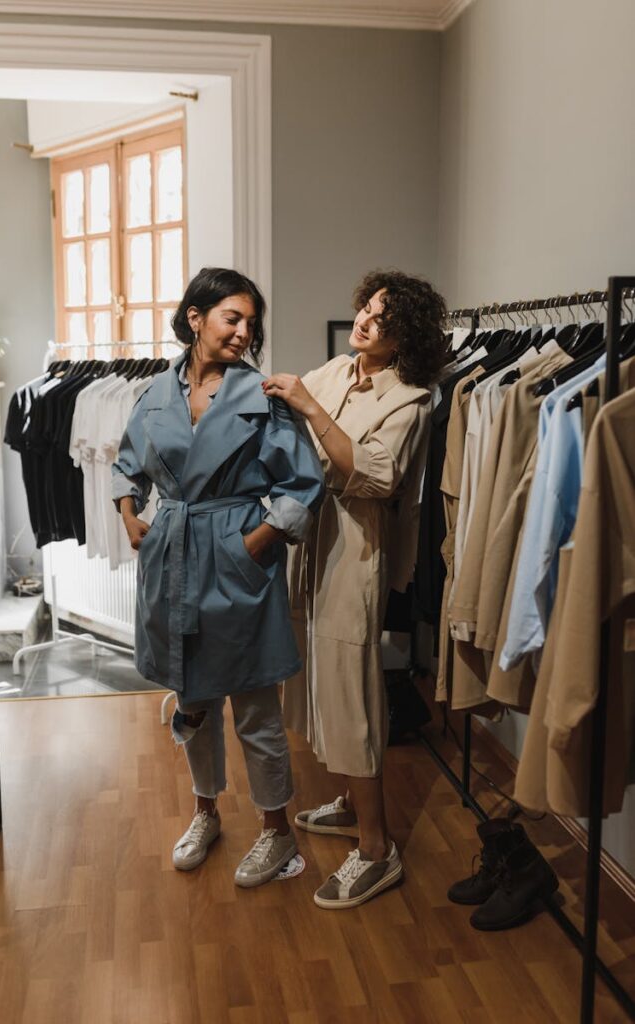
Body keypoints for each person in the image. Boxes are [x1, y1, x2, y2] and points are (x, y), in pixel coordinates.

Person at [112, 267, 324, 888]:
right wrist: (130, 516)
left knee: (255, 705)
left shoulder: (263, 397)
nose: (243, 332)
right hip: (173, 556)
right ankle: (205, 813)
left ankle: (277, 832)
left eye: (251, 323)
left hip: (236, 558)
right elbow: (127, 465)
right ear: (196, 317)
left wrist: (254, 543)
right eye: (233, 318)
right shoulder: (153, 393)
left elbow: (303, 484)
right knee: (193, 700)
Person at [263, 269, 447, 909]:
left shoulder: (411, 401)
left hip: (354, 552)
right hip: (308, 547)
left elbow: (376, 477)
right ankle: (349, 800)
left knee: (351, 693)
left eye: (383, 318)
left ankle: (376, 849)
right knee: (316, 678)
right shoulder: (336, 372)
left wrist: (309, 409)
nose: (365, 320)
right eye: (366, 307)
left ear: (405, 338)